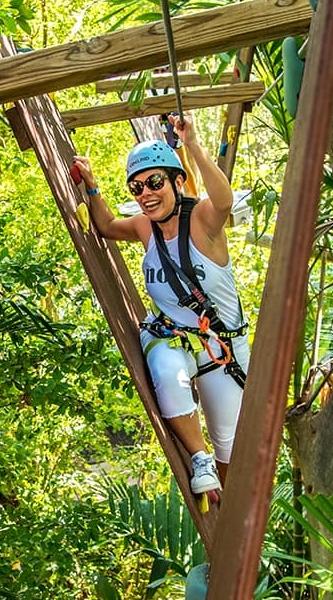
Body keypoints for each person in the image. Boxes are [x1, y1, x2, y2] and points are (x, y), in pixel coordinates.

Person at [73, 113, 249, 494]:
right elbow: (106, 226)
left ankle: (230, 503)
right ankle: (199, 458)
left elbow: (224, 200)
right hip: (173, 337)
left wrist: (192, 144)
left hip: (222, 348)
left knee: (233, 449)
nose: (146, 194)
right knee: (168, 371)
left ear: (176, 182)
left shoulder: (202, 219)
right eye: (137, 187)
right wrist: (92, 187)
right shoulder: (144, 227)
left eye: (154, 182)